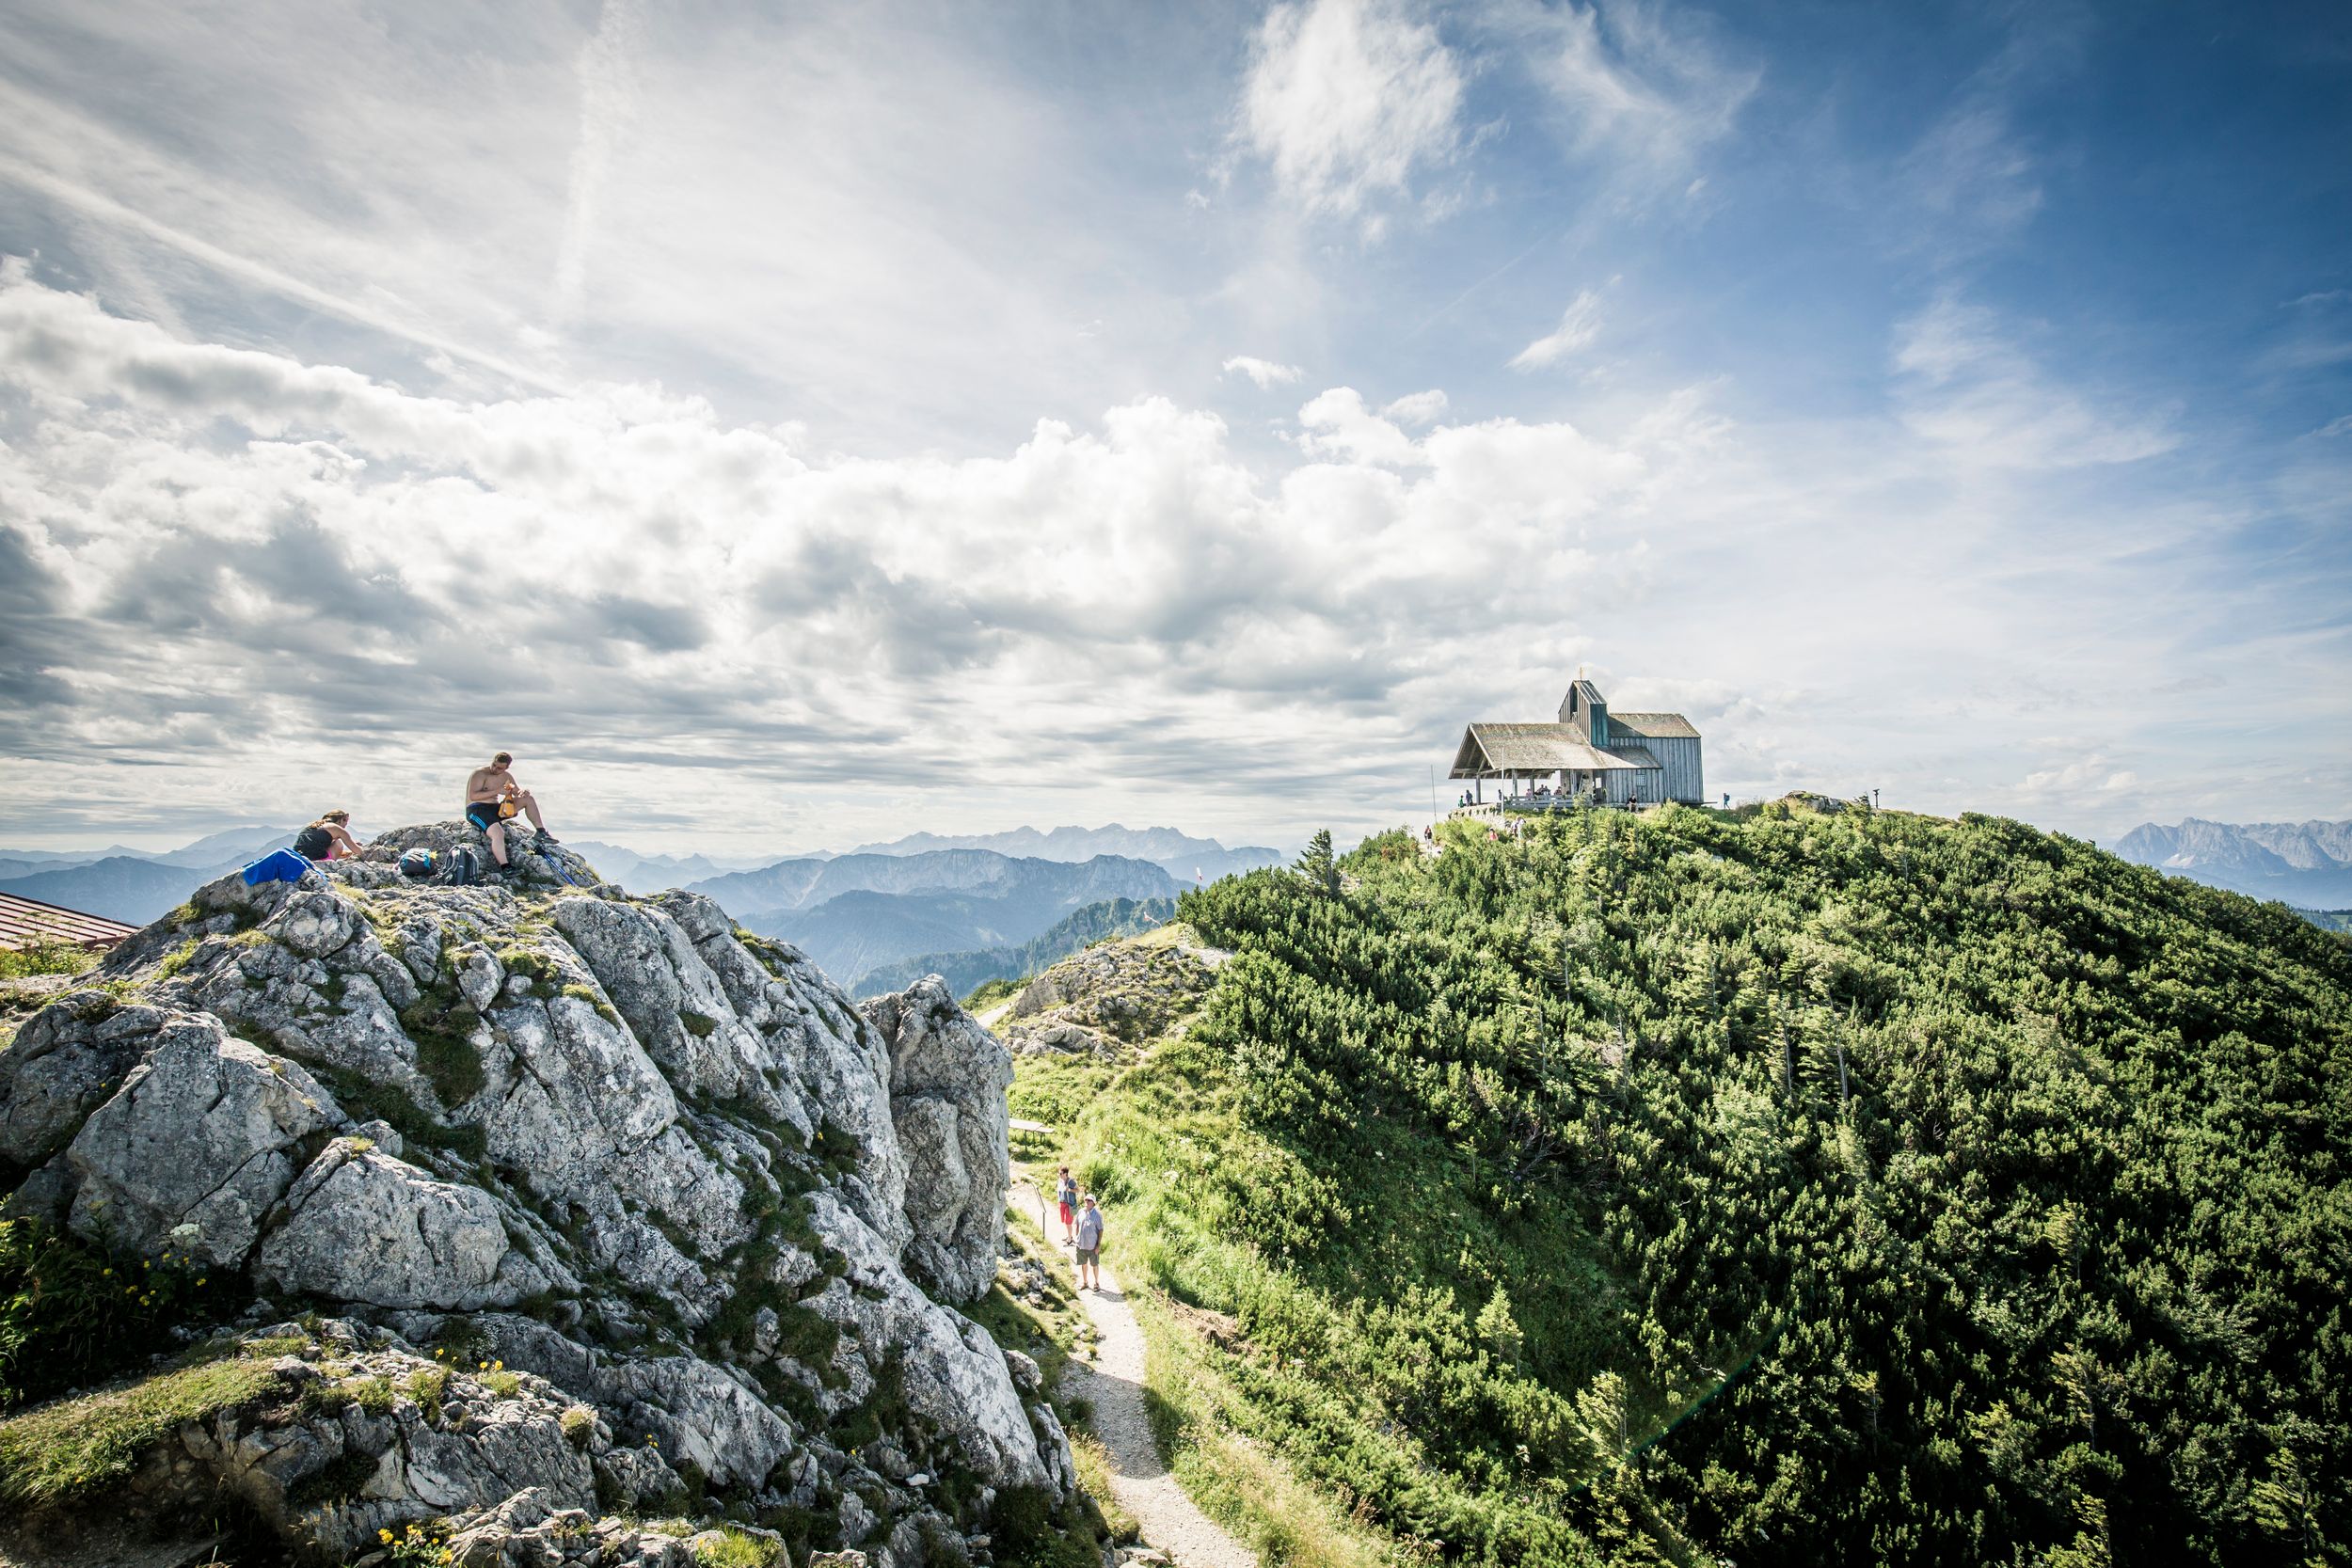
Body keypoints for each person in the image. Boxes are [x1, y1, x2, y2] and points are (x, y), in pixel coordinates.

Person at [465, 751, 557, 869]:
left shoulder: (506, 777)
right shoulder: (480, 774)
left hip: (495, 808)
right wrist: (497, 791)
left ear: (506, 768)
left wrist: (523, 792)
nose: (495, 769)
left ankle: (541, 831)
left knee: (528, 799)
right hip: (477, 810)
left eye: (499, 768)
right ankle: (505, 866)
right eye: (494, 765)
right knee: (498, 833)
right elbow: (473, 796)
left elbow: (516, 792)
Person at [292, 810, 360, 862]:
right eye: (346, 822)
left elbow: (312, 850)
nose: (345, 826)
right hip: (315, 862)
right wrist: (358, 848)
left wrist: (350, 852)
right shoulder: (336, 828)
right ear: (342, 819)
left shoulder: (313, 826)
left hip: (297, 859)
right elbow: (359, 851)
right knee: (338, 843)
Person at [1073, 1194, 1104, 1291]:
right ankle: (1085, 1282)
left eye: (1089, 1201)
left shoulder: (1097, 1215)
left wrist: (1098, 1245)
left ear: (1093, 1203)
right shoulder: (1080, 1212)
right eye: (1086, 1200)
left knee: (1094, 1265)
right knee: (1083, 1264)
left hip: (1092, 1246)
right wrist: (1077, 1238)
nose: (1087, 1202)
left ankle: (1096, 1283)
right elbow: (1077, 1225)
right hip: (1081, 1244)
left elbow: (1100, 1230)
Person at [1056, 1165, 1079, 1246]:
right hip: (1062, 1203)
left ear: (1065, 1174)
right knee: (1065, 1222)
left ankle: (1069, 1241)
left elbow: (1078, 1190)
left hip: (1069, 1205)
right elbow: (1059, 1191)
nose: (1059, 1175)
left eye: (1061, 1173)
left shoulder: (1071, 1181)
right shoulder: (1060, 1181)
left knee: (1068, 1223)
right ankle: (1070, 1236)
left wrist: (1069, 1190)